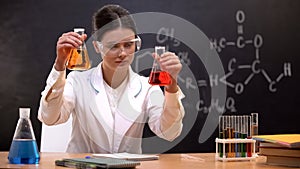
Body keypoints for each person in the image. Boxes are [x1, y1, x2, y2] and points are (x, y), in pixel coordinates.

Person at [38, 4, 185, 153]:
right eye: (113, 46)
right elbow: (50, 117)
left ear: (137, 44)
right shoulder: (78, 82)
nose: (122, 53)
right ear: (97, 47)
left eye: (128, 45)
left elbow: (169, 132)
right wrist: (59, 64)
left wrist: (171, 87)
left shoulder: (146, 88)